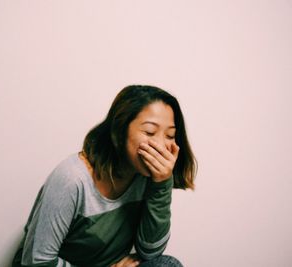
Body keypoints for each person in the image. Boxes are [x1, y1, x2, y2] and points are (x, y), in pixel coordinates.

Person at [12, 85, 197, 267]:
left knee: (167, 265)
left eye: (170, 135)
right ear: (120, 130)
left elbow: (150, 253)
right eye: (149, 132)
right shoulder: (72, 178)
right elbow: (37, 262)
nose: (161, 145)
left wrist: (162, 185)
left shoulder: (145, 177)